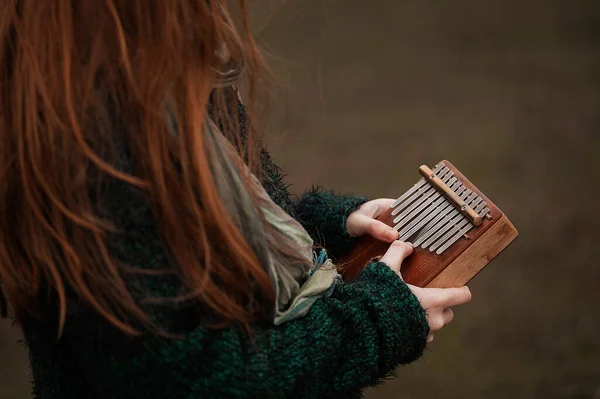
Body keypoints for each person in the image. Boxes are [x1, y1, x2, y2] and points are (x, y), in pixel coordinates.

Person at [0, 2, 472, 398]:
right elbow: (196, 379)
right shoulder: (92, 153)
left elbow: (230, 231)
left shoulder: (168, 68)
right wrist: (377, 321)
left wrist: (336, 227)